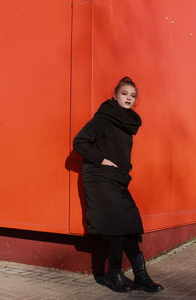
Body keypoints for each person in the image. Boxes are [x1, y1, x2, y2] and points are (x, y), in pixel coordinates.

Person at [73, 77, 163, 293]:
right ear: (115, 96)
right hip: (99, 177)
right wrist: (101, 159)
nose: (128, 98)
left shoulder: (127, 123)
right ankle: (113, 273)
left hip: (117, 179)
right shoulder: (103, 118)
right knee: (117, 226)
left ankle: (141, 276)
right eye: (124, 93)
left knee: (129, 226)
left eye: (132, 96)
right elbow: (79, 141)